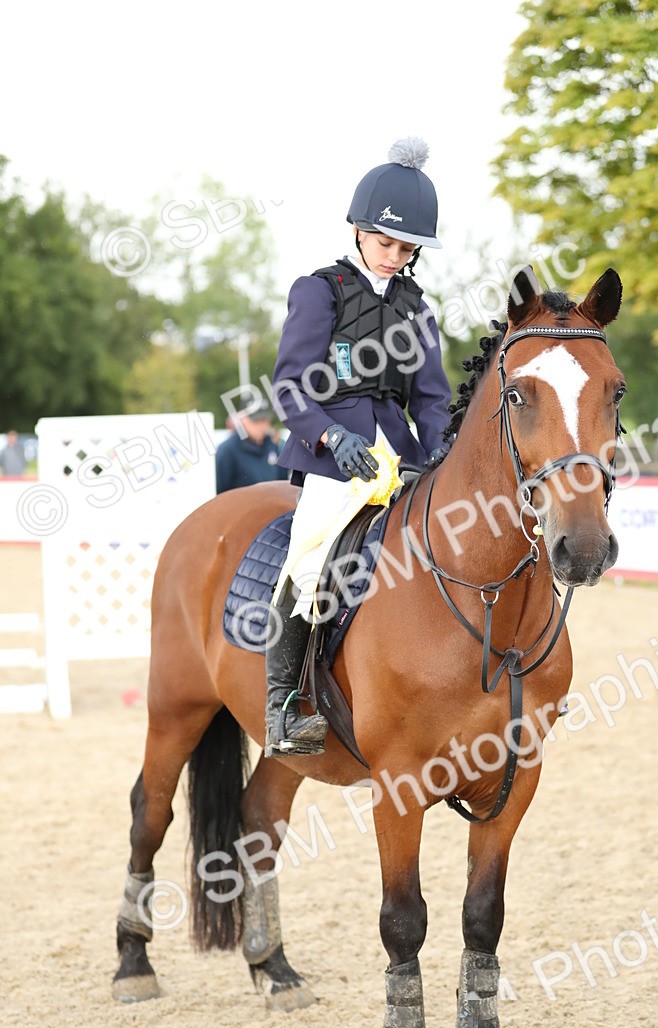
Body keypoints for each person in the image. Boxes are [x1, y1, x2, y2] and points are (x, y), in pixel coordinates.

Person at [264, 136, 452, 757]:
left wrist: (437, 452)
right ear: (356, 230)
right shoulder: (319, 291)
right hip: (333, 455)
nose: (395, 255)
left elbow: (429, 396)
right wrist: (328, 433)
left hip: (395, 454)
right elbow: (290, 384)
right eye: (385, 242)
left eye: (407, 248)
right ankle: (284, 707)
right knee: (310, 556)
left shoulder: (417, 307)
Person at [215, 399, 288, 492]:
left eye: (265, 420)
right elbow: (220, 493)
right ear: (243, 420)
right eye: (256, 421)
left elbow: (283, 484)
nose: (262, 425)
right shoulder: (227, 450)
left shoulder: (273, 445)